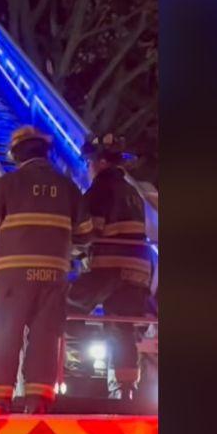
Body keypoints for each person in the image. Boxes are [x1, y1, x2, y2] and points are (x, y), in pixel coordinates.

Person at [0, 126, 92, 414]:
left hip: (14, 278)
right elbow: (86, 233)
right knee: (45, 337)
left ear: (16, 154)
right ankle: (38, 401)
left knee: (4, 333)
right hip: (53, 277)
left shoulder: (7, 184)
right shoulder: (67, 187)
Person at [67, 133, 154, 401]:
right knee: (122, 328)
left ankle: (78, 361)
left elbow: (90, 231)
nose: (88, 168)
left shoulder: (99, 188)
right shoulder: (133, 193)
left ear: (100, 162)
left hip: (108, 268)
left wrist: (68, 248)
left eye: (89, 162)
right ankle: (126, 390)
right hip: (139, 272)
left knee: (64, 305)